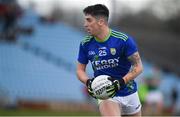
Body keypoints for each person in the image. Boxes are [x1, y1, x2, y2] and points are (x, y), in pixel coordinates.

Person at [76, 4, 143, 116]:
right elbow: (79, 70)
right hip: (106, 94)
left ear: (101, 22)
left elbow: (138, 67)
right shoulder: (85, 44)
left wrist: (121, 82)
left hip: (129, 92)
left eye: (89, 20)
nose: (85, 24)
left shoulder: (123, 40)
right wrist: (88, 82)